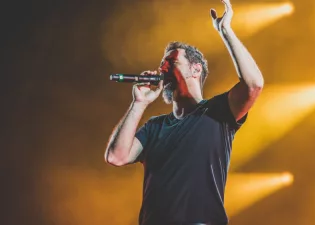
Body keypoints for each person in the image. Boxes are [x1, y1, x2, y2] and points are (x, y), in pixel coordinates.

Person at [104, 0, 264, 224]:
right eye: (162, 65)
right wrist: (138, 104)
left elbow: (254, 85)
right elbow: (116, 157)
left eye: (170, 62)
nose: (163, 69)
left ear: (195, 69)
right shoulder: (154, 127)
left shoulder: (216, 112)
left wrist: (225, 31)